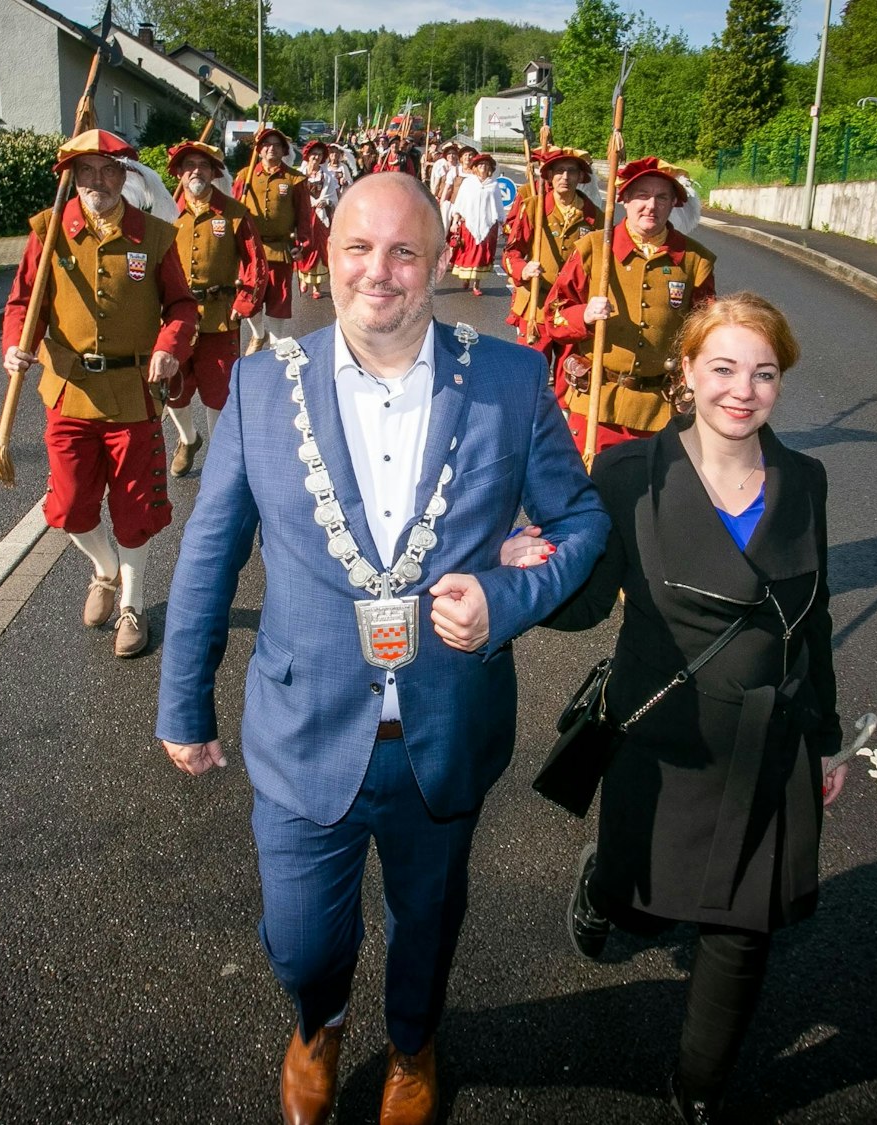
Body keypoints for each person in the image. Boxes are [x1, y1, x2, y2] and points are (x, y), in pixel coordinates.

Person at [156, 172, 609, 1125]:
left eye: (406, 251)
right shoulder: (259, 384)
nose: (381, 272)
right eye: (359, 248)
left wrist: (507, 596)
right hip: (302, 721)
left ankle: (413, 1045)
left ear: (441, 262)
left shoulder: (512, 379)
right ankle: (316, 1021)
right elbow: (209, 549)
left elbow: (581, 521)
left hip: (444, 731)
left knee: (428, 926)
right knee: (300, 938)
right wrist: (183, 703)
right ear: (326, 258)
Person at [503, 292, 845, 1124]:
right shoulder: (629, 476)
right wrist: (528, 566)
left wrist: (826, 739)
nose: (743, 388)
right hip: (664, 741)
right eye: (723, 367)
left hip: (769, 739)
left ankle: (700, 1087)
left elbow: (815, 619)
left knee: (742, 929)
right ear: (686, 373)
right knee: (640, 899)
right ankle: (603, 891)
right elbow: (585, 605)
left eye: (764, 372)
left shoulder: (806, 478)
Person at [1, 129, 197, 655]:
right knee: (67, 507)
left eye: (110, 171)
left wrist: (170, 345)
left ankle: (132, 604)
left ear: (124, 177)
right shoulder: (48, 233)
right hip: (69, 391)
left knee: (135, 510)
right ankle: (104, 570)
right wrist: (16, 345)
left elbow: (181, 306)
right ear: (72, 178)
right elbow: (25, 303)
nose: (98, 182)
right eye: (86, 171)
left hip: (135, 393)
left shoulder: (154, 236)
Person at [545, 156, 715, 455]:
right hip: (598, 403)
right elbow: (553, 315)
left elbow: (707, 334)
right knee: (590, 493)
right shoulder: (593, 248)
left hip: (662, 410)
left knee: (652, 498)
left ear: (674, 203)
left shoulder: (695, 261)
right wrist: (583, 315)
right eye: (642, 195)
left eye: (662, 197)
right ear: (624, 199)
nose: (651, 205)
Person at [163, 140, 265, 477]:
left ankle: (219, 461)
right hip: (175, 320)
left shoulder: (235, 213)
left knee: (217, 393)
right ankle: (188, 438)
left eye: (202, 165)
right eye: (188, 165)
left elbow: (255, 262)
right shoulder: (166, 215)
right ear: (178, 173)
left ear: (213, 172)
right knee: (174, 388)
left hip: (220, 318)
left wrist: (244, 301)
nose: (195, 171)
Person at [502, 146, 603, 358]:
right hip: (536, 305)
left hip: (573, 310)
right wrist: (523, 269)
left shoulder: (594, 216)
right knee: (531, 371)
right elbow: (510, 253)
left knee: (569, 378)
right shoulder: (533, 208)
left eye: (572, 171)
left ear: (580, 177)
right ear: (549, 175)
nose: (565, 177)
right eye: (559, 171)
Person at [234, 126, 317, 345]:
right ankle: (259, 334)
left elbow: (304, 216)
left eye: (277, 145)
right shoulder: (245, 176)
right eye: (266, 144)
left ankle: (276, 345)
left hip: (281, 250)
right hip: (250, 250)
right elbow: (232, 211)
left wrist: (304, 244)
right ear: (259, 150)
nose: (271, 149)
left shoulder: (295, 179)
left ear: (284, 150)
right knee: (249, 297)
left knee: (278, 302)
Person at [446, 153, 502, 296]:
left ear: (490, 168)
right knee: (469, 254)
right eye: (480, 165)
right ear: (475, 168)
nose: (483, 167)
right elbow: (460, 203)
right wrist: (455, 221)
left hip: (488, 226)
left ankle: (477, 284)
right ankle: (466, 278)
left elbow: (498, 206)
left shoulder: (493, 185)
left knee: (482, 255)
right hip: (468, 225)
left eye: (486, 165)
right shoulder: (468, 183)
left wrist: (501, 224)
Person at [296, 140, 341, 301]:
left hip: (321, 218)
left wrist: (326, 202)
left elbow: (333, 197)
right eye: (313, 154)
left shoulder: (327, 176)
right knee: (305, 248)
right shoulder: (299, 176)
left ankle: (317, 287)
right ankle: (303, 278)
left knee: (320, 250)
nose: (316, 157)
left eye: (319, 154)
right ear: (308, 156)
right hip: (305, 217)